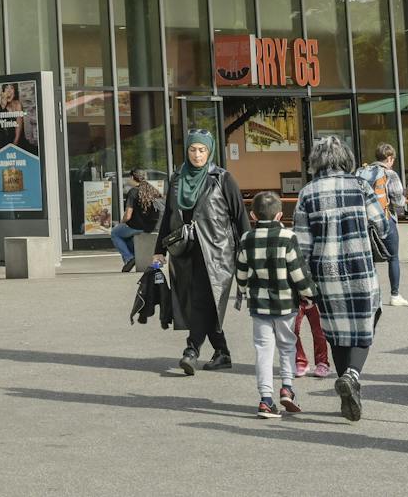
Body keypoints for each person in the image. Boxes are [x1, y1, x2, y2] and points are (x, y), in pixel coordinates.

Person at [294, 134, 385, 422]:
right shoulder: (360, 186)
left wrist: (302, 283)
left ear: (316, 161)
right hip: (360, 267)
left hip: (325, 272)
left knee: (334, 332)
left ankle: (348, 384)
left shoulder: (307, 193)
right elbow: (381, 225)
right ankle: (352, 375)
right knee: (365, 322)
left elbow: (302, 243)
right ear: (345, 158)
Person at [152, 129, 249, 374]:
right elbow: (168, 217)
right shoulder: (176, 179)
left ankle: (191, 350)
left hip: (217, 252)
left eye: (202, 150)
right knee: (199, 301)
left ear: (210, 151)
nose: (197, 155)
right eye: (193, 149)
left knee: (202, 300)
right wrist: (159, 250)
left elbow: (240, 216)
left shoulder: (222, 178)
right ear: (186, 151)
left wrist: (249, 249)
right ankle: (222, 351)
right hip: (184, 251)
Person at [234, 190, 317, 419]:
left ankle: (265, 399)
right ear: (280, 215)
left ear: (253, 215)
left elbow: (240, 273)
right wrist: (309, 295)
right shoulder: (288, 238)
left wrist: (243, 291)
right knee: (287, 346)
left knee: (263, 350)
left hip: (259, 304)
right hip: (285, 303)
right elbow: (298, 272)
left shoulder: (246, 239)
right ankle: (287, 388)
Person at [354, 143, 408, 306]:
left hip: (362, 221)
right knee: (393, 257)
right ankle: (395, 295)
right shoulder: (390, 174)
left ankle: (370, 295)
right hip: (384, 219)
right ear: (390, 158)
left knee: (367, 259)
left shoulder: (360, 172)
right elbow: (398, 202)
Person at [113, 169, 160, 273]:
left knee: (115, 233)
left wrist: (121, 222)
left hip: (136, 226)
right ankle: (135, 257)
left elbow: (128, 216)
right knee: (127, 237)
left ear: (132, 178)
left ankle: (129, 258)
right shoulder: (153, 190)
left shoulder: (133, 192)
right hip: (151, 226)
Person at [293, 296, 333, 379]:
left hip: (316, 298)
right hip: (294, 299)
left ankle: (322, 363)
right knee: (293, 331)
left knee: (319, 332)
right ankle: (300, 361)